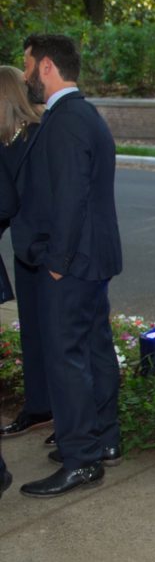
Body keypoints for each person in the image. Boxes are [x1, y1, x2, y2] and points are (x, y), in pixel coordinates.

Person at [11, 35, 123, 498]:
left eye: (28, 66)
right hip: (88, 261)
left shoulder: (67, 120)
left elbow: (71, 195)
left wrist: (55, 262)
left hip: (71, 263)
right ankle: (104, 439)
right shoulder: (82, 114)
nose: (24, 76)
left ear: (48, 67)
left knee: (66, 358)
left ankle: (82, 458)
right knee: (93, 348)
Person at [0, 65, 52, 443]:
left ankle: (70, 416)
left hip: (49, 252)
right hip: (25, 251)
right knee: (33, 335)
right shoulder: (7, 140)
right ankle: (40, 407)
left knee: (57, 337)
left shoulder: (38, 136)